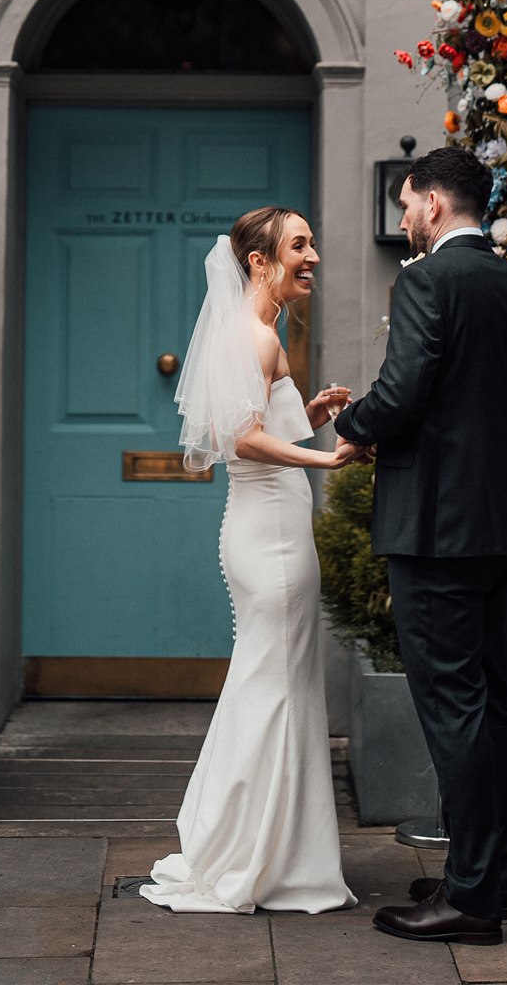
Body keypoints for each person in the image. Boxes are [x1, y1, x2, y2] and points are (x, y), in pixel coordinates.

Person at [334, 146, 507, 948]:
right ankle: (489, 875)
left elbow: (399, 396)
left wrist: (350, 426)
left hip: (433, 525)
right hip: (496, 523)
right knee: (489, 706)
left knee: (454, 709)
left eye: (406, 204)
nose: (401, 219)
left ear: (434, 204)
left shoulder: (428, 279)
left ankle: (470, 899)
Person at [140, 208, 362, 915]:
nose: (313, 257)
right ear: (259, 262)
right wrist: (326, 456)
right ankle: (250, 852)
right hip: (268, 537)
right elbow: (241, 441)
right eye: (299, 246)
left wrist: (315, 415)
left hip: (268, 528)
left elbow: (264, 427)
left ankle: (269, 849)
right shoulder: (255, 336)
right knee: (274, 690)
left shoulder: (260, 335)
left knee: (278, 685)